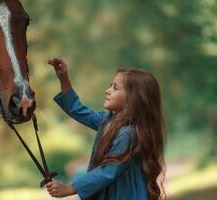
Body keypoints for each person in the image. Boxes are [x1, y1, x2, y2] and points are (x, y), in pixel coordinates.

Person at [46, 58, 166, 200]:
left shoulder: (129, 133)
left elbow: (108, 172)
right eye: (110, 86)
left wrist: (71, 188)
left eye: (115, 88)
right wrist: (64, 79)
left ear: (133, 98)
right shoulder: (108, 121)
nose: (107, 91)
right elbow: (78, 110)